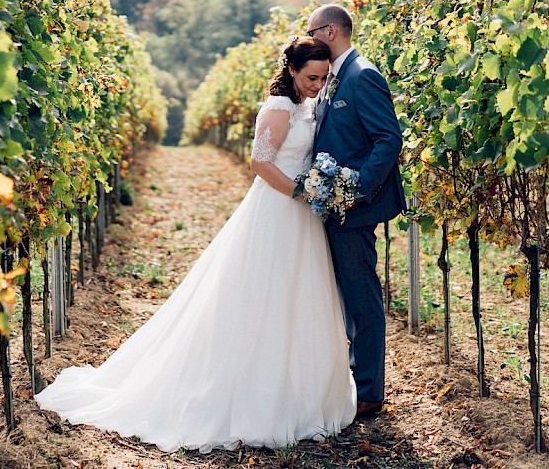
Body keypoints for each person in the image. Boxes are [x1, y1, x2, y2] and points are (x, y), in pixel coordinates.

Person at [35, 37, 357, 453]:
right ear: (292, 71)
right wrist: (300, 192)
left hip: (303, 216)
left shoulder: (308, 106)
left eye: (323, 77)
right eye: (312, 77)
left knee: (298, 296)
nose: (318, 84)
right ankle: (252, 392)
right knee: (264, 294)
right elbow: (260, 163)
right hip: (278, 209)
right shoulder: (278, 109)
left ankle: (300, 391)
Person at [307, 3, 407, 418]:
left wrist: (356, 188)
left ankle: (369, 392)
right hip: (336, 206)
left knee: (363, 298)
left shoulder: (363, 75)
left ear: (330, 31)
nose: (308, 39)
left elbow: (389, 140)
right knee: (349, 295)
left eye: (311, 32)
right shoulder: (336, 77)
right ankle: (356, 380)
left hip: (354, 208)